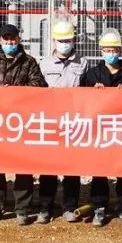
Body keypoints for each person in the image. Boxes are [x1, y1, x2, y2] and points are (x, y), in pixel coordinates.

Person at [0, 24, 47, 225]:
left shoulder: (29, 61)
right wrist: (1, 92)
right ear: (0, 40)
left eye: (13, 39)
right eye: (6, 39)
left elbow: (39, 84)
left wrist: (16, 92)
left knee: (23, 165)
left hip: (22, 121)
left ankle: (22, 209)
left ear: (18, 40)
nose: (9, 42)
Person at [80, 29, 122, 227]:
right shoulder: (93, 74)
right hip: (100, 129)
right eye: (107, 50)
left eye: (114, 50)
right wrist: (93, 91)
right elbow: (81, 97)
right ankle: (99, 207)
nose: (111, 53)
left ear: (120, 50)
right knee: (99, 170)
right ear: (101, 51)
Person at [37, 21, 87, 224]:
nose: (64, 43)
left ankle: (69, 207)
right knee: (48, 168)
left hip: (73, 122)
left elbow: (88, 91)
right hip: (50, 121)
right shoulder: (44, 64)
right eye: (61, 40)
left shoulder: (83, 63)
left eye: (68, 40)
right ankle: (45, 208)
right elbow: (37, 91)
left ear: (74, 40)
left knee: (71, 168)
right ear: (54, 40)